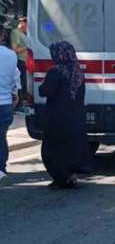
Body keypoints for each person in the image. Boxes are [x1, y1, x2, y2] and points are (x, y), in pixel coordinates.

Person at [40, 41, 89, 189]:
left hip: (58, 118)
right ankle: (71, 175)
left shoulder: (56, 71)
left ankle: (62, 178)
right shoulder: (78, 72)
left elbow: (45, 91)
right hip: (76, 117)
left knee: (52, 150)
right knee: (71, 148)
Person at [0, 29, 19, 184]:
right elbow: (15, 78)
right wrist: (15, 94)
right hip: (5, 103)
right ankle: (1, 168)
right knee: (1, 137)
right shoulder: (11, 55)